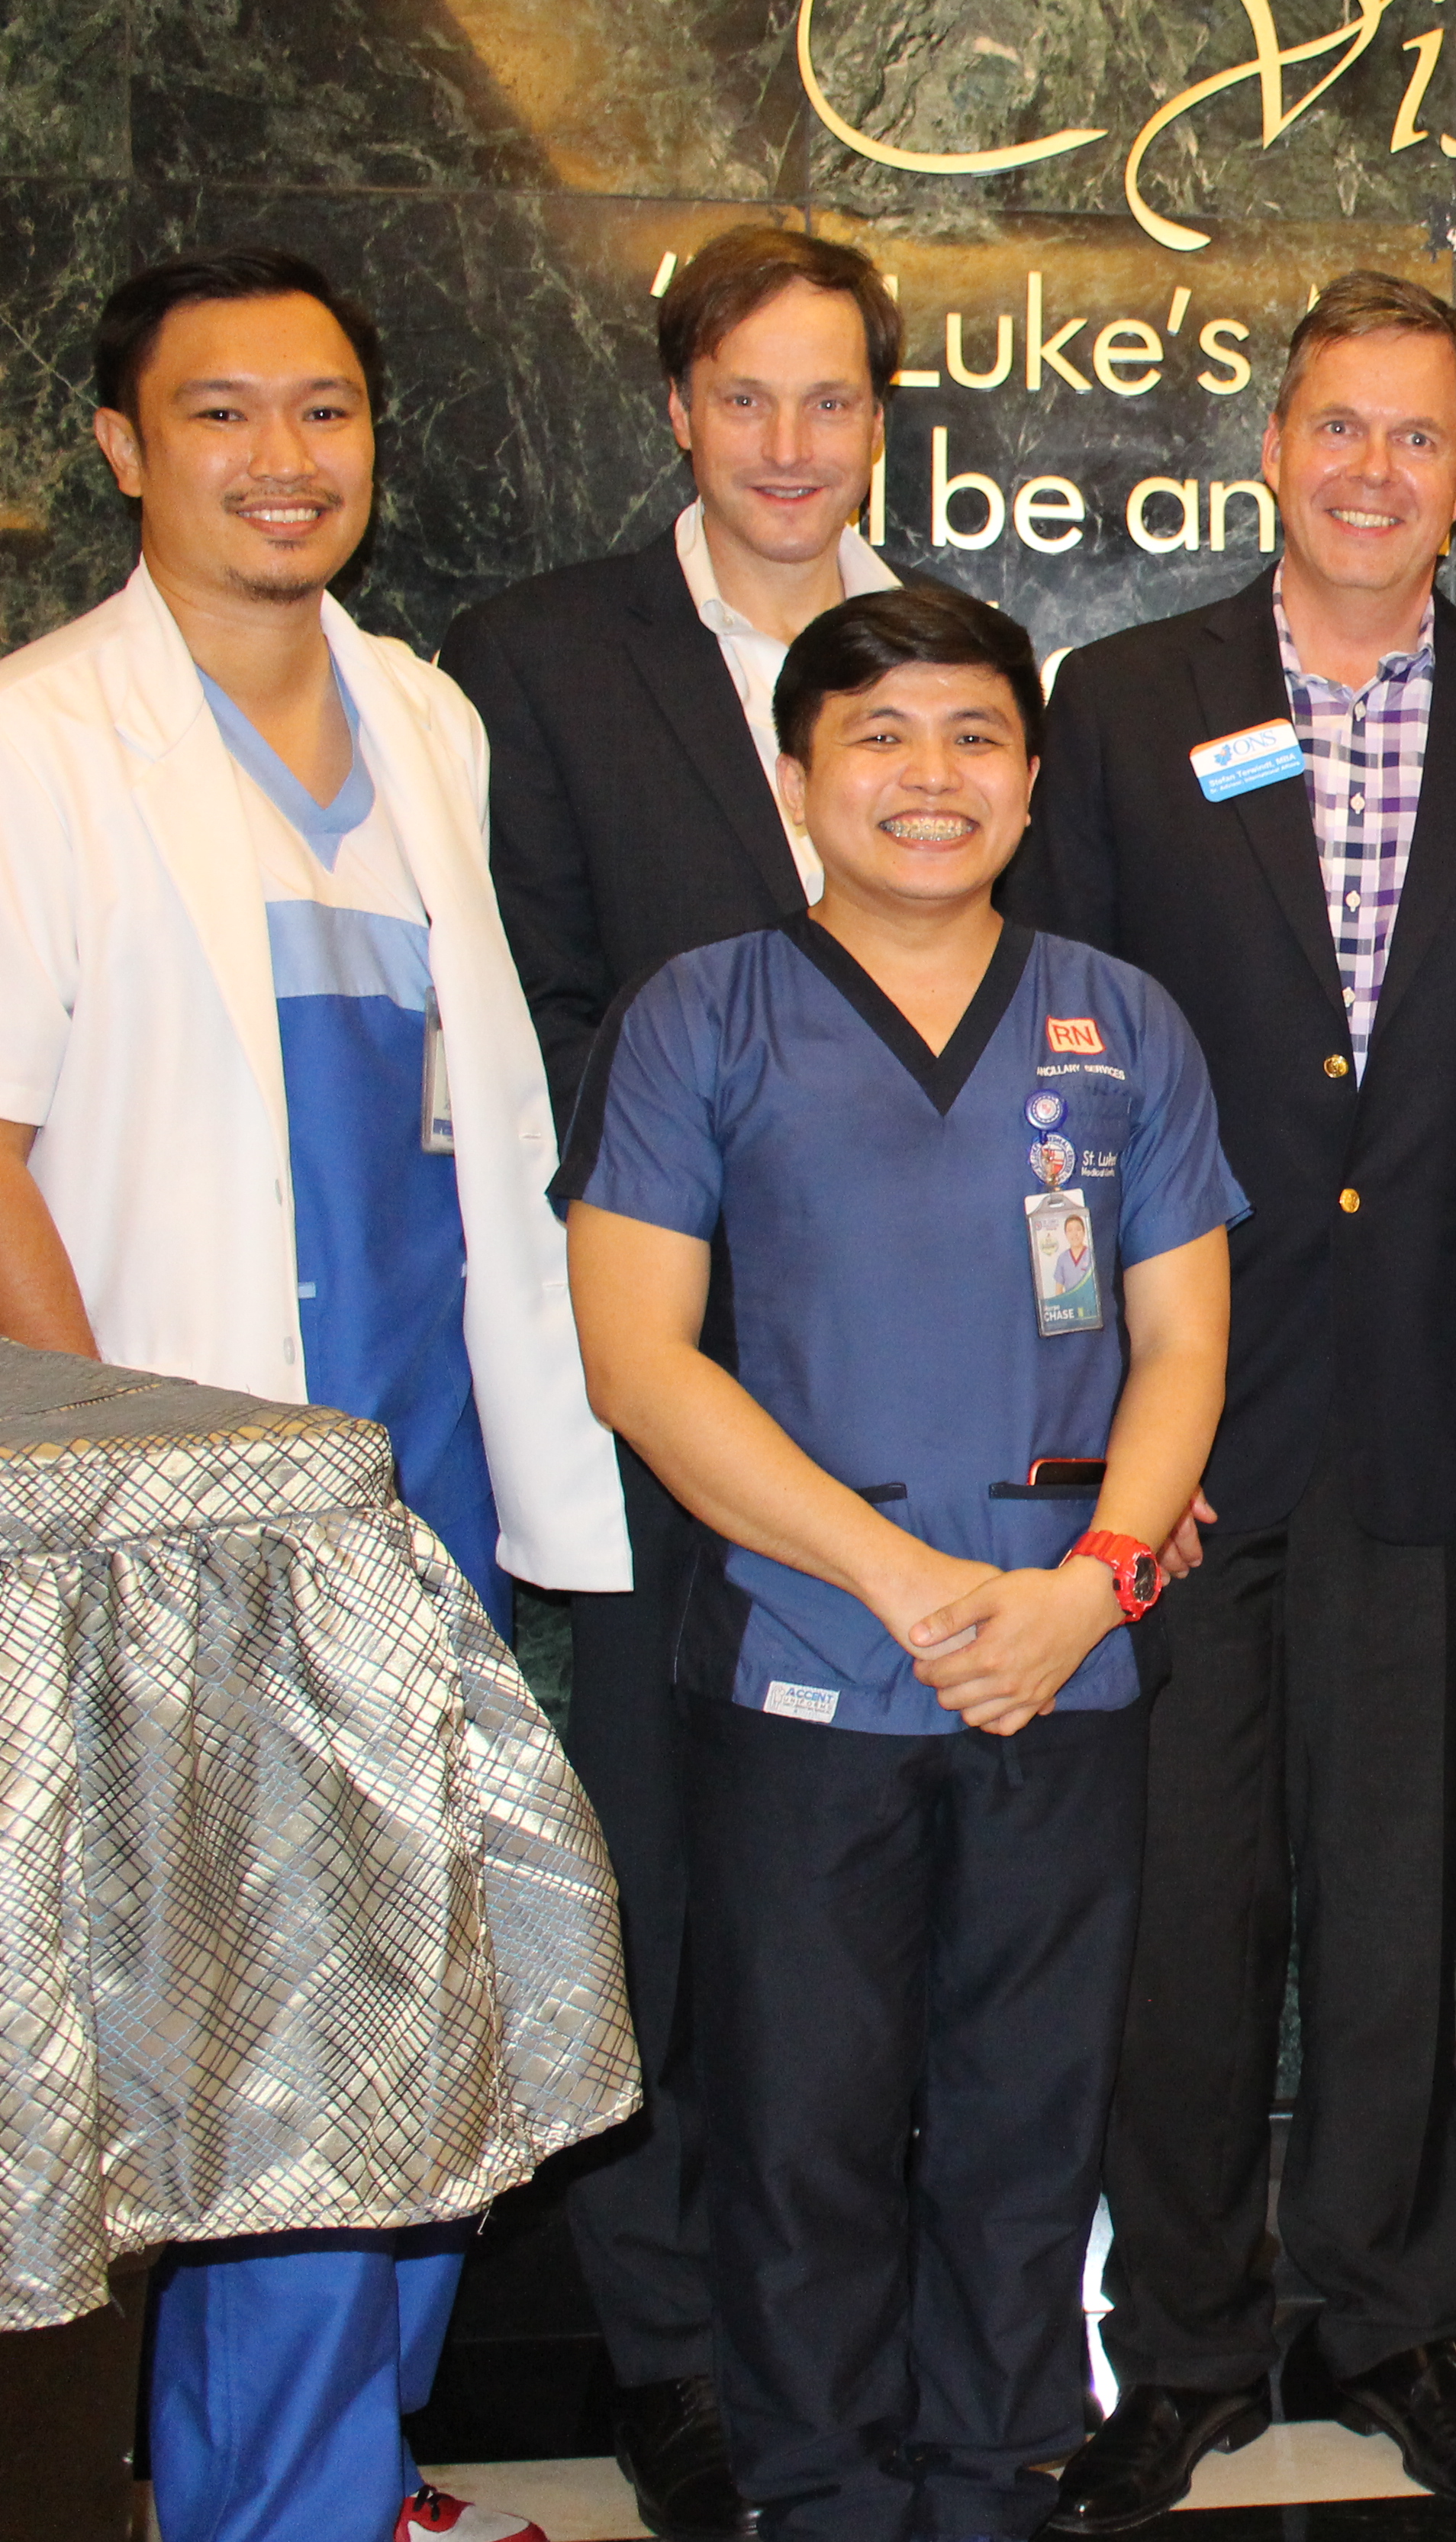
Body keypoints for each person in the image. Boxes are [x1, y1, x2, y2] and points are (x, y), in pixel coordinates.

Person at [0, 247, 631, 2542]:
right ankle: (292, 2503)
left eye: (328, 413)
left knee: (425, 2007)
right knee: (298, 2043)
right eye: (225, 415)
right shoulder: (41, 738)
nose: (285, 461)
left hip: (413, 1473)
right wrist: (95, 1506)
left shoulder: (427, 722)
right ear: (121, 448)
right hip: (181, 1510)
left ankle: (331, 2466)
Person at [1007, 269, 1456, 2526]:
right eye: (1338, 428)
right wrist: (1095, 1438)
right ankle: (1177, 2348)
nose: (1375, 471)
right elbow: (1054, 1089)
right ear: (1276, 448)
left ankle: (1385, 2327)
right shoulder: (1123, 698)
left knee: (1396, 1900)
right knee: (1183, 1910)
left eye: (1419, 439)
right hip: (1181, 1420)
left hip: (1425, 1418)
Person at [562, 585, 1243, 2542]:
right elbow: (636, 1358)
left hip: (1067, 1661)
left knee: (1032, 2119)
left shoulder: (1127, 1027)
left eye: (970, 739)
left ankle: (989, 2481)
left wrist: (1089, 1588)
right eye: (876, 738)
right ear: (799, 782)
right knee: (804, 2129)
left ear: (1030, 782)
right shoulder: (702, 1014)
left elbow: (1187, 1345)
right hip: (803, 1663)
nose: (926, 779)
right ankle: (826, 2494)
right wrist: (899, 1581)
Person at [443, 219, 911, 2542]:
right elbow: (516, 1002)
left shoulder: (922, 668)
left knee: (829, 1891)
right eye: (751, 399)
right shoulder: (536, 660)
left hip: (900, 1400)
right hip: (647, 1382)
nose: (794, 447)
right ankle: (671, 2359)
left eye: (834, 402)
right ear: (678, 413)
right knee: (649, 1874)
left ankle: (825, 2324)